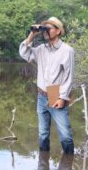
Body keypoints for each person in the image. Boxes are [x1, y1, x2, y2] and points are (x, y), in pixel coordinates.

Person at [19, 17, 74, 154]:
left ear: (58, 31)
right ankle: (43, 166)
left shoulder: (67, 50)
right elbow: (24, 53)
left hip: (55, 93)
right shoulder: (41, 49)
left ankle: (68, 165)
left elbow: (69, 77)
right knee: (43, 135)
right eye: (43, 29)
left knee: (65, 136)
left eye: (48, 29)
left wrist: (62, 97)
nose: (45, 32)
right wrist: (33, 33)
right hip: (41, 94)